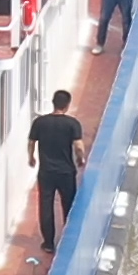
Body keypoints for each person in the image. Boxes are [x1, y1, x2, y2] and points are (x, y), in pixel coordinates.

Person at [27, 88, 86, 250]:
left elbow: (31, 142)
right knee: (69, 205)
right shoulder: (72, 124)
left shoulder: (40, 122)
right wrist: (80, 159)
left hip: (46, 172)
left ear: (53, 103)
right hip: (66, 172)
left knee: (46, 205)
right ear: (67, 105)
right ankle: (68, 239)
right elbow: (78, 146)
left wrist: (31, 157)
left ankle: (48, 243)